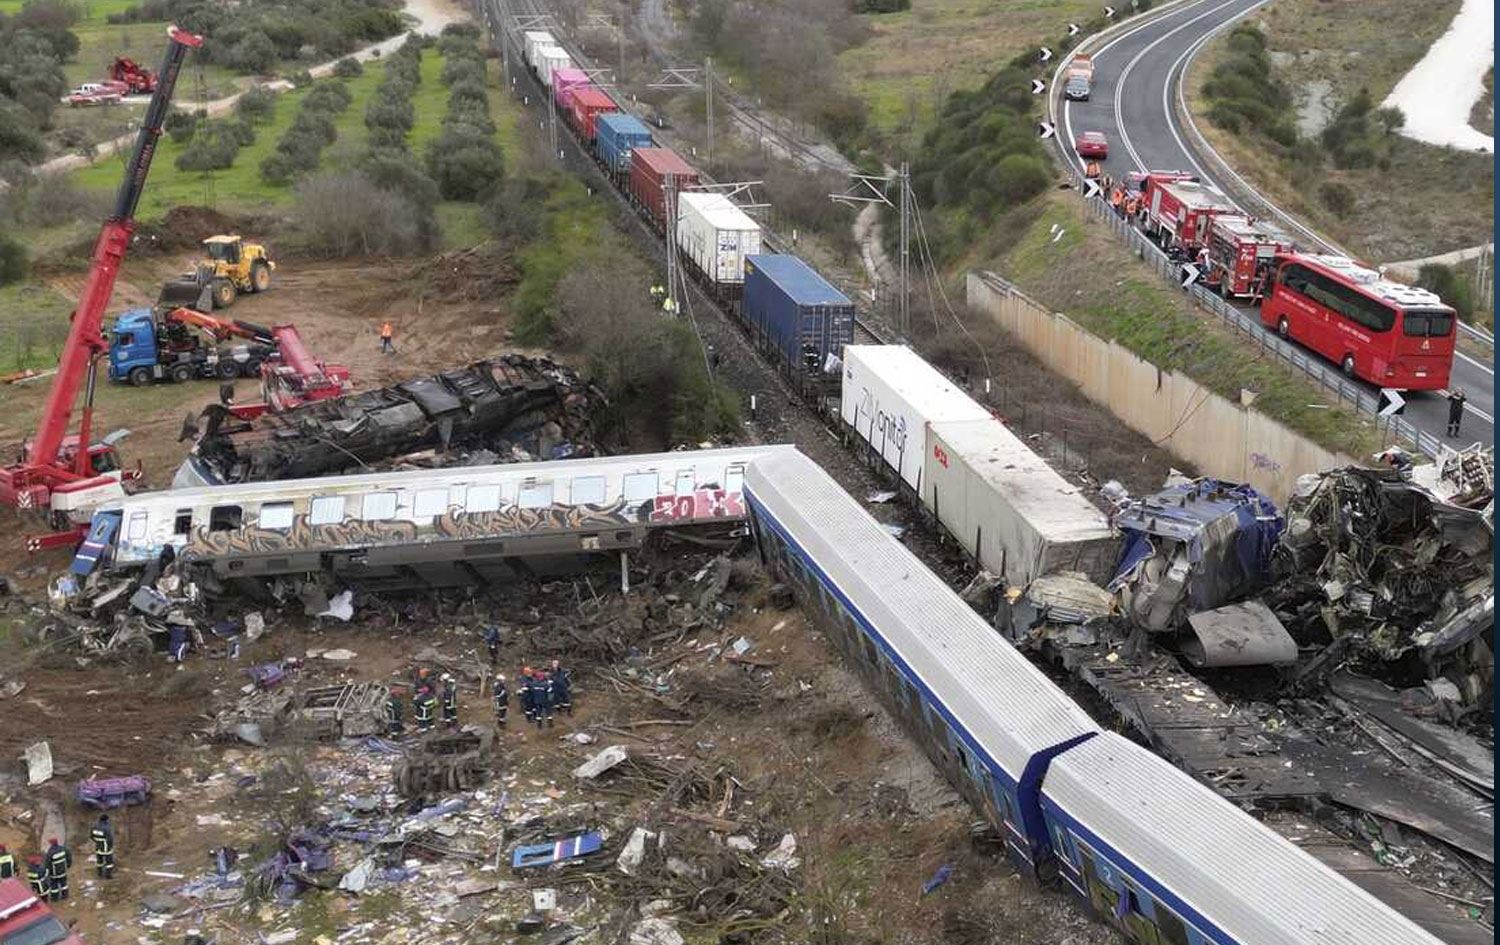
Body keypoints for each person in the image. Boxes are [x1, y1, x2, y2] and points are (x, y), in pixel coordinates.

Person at [90, 814, 115, 879]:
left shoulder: (94, 826)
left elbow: (91, 836)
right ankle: (108, 875)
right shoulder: (106, 827)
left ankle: (100, 873)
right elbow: (109, 839)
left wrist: (97, 841)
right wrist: (110, 846)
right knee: (109, 862)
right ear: (106, 820)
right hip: (106, 847)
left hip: (98, 847)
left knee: (99, 861)